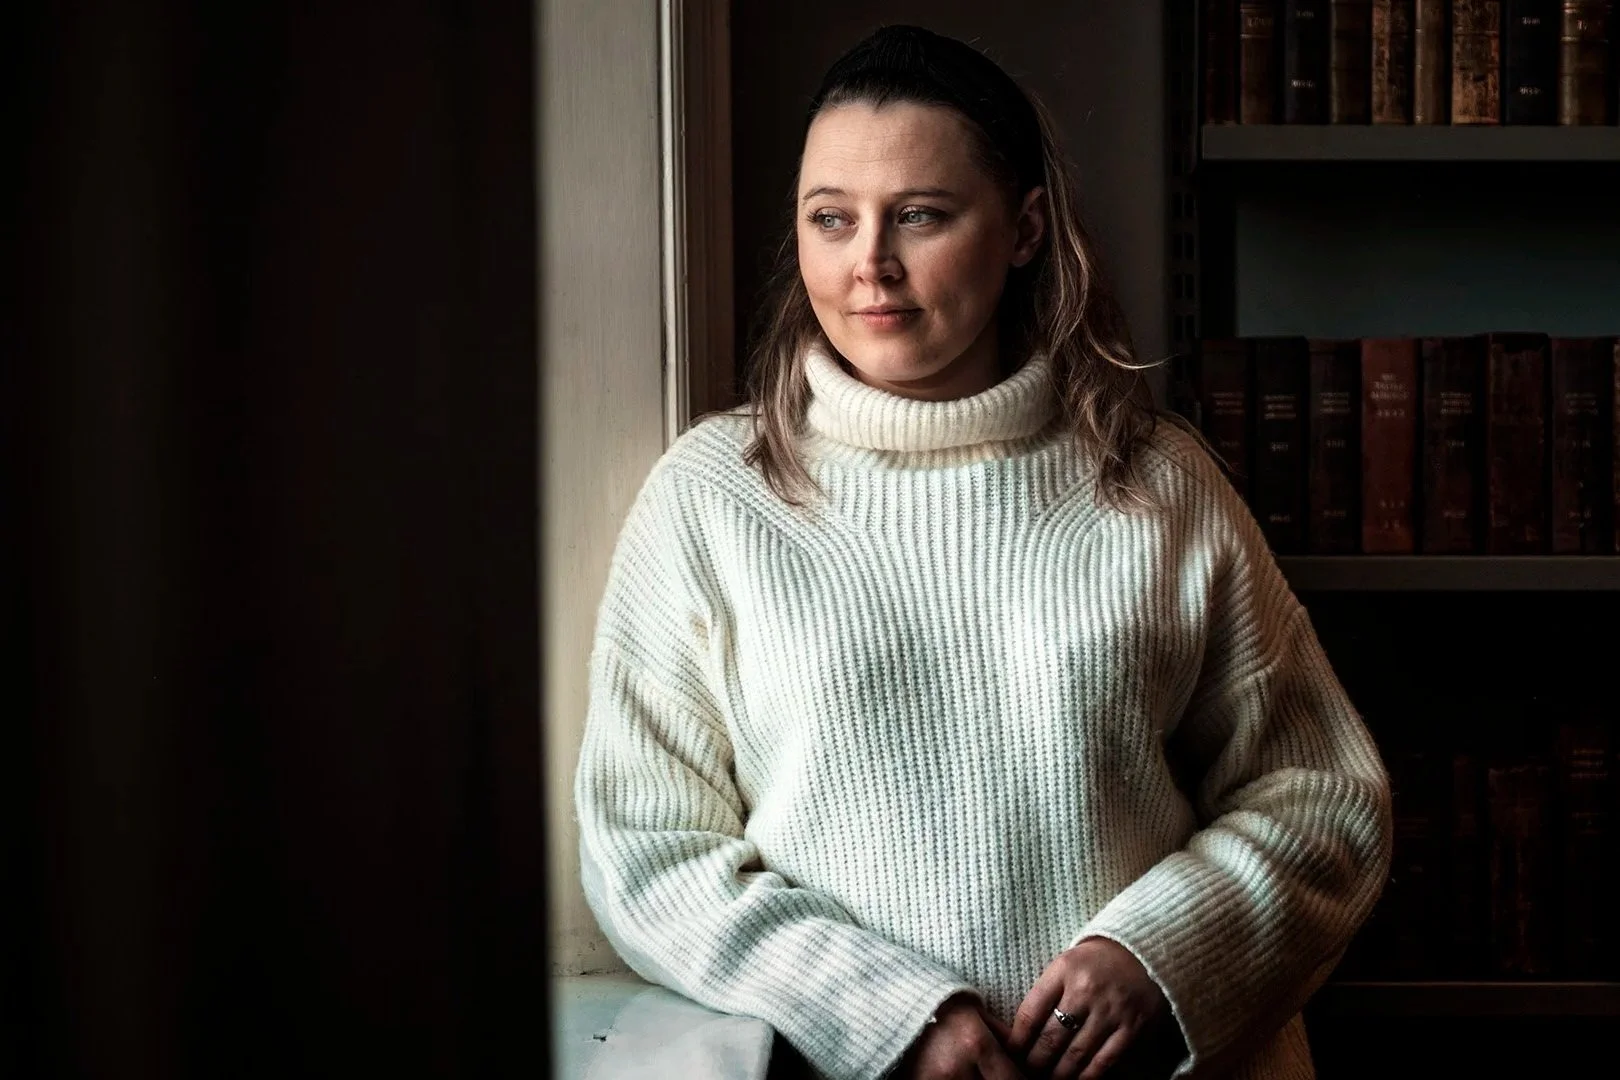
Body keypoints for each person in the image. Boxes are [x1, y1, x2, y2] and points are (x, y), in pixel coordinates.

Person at [574, 23, 1392, 1080]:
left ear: (1023, 230)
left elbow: (1323, 794)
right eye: (831, 219)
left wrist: (1162, 957)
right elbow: (647, 848)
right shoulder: (713, 499)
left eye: (920, 215)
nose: (869, 263)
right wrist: (889, 1016)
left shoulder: (1156, 485)